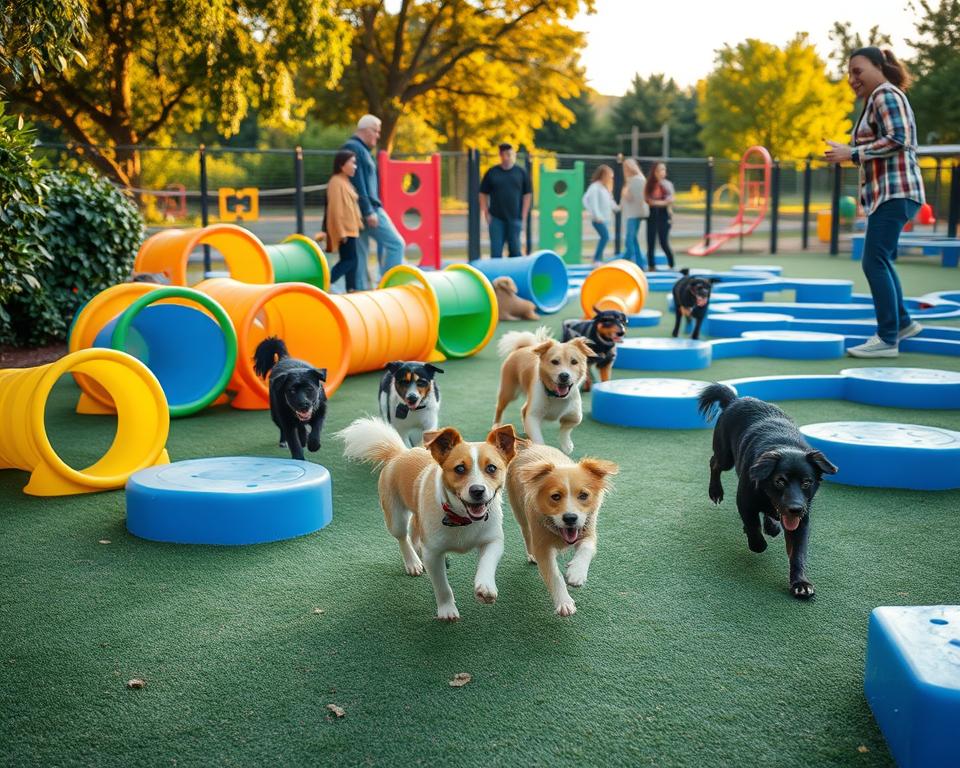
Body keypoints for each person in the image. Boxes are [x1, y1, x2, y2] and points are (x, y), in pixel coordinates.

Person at [825, 47, 926, 358]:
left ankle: (887, 338)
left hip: (897, 192)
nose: (852, 79)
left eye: (858, 71)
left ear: (879, 66)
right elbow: (882, 146)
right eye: (849, 74)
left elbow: (899, 138)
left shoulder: (885, 94)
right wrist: (849, 152)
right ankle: (903, 324)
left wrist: (852, 152)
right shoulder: (875, 99)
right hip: (890, 194)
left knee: (873, 261)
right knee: (880, 259)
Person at [341, 115, 405, 289]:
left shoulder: (358, 149)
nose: (378, 135)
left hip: (357, 211)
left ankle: (361, 293)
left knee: (361, 254)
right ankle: (388, 286)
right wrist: (368, 210)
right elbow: (358, 183)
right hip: (367, 210)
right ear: (365, 130)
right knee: (396, 244)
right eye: (375, 131)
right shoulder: (354, 148)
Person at [479, 143, 532, 258]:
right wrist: (486, 213)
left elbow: (527, 194)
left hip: (515, 218)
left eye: (509, 154)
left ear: (513, 154)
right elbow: (483, 193)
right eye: (503, 154)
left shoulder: (521, 173)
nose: (506, 157)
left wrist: (523, 215)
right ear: (500, 155)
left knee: (515, 251)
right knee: (496, 252)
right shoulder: (492, 172)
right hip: (496, 219)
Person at [324, 150, 363, 292]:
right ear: (342, 165)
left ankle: (351, 289)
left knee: (353, 260)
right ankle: (325, 282)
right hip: (345, 230)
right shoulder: (336, 182)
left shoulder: (346, 182)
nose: (355, 166)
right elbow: (335, 209)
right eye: (352, 163)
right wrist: (341, 232)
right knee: (349, 260)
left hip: (351, 228)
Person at [582, 164, 619, 263]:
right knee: (605, 237)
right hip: (598, 219)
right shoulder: (595, 187)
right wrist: (596, 215)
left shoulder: (604, 188)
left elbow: (610, 201)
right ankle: (596, 259)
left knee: (604, 237)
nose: (611, 179)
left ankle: (599, 259)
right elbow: (590, 202)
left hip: (605, 218)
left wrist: (618, 208)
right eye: (609, 176)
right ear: (603, 175)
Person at [644, 162, 675, 270]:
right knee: (650, 241)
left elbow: (670, 200)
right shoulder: (649, 184)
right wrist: (659, 202)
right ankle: (651, 265)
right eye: (659, 170)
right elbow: (647, 200)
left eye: (663, 170)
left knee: (663, 241)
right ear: (654, 172)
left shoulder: (668, 184)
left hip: (664, 214)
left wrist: (657, 203)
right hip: (652, 215)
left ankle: (671, 264)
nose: (662, 172)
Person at [620, 158, 649, 267]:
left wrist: (625, 190)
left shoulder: (636, 180)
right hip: (634, 213)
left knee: (630, 240)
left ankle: (624, 261)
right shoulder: (636, 179)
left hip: (634, 214)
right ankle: (640, 263)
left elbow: (631, 197)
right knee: (634, 240)